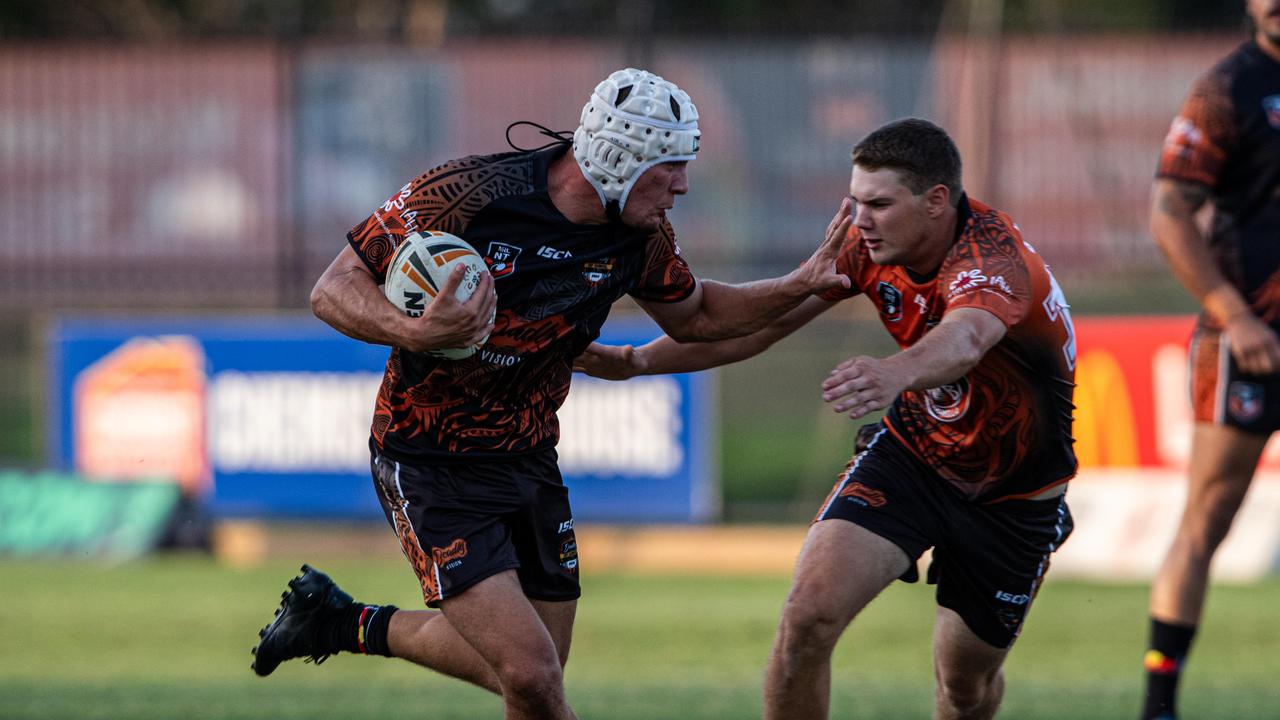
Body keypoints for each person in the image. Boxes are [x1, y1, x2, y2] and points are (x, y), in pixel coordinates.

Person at [247, 67, 850, 720]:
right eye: (671, 167)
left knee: (529, 675)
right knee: (532, 676)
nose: (681, 185)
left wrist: (800, 283)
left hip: (531, 458)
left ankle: (338, 622)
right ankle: (338, 623)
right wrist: (414, 328)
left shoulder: (638, 237)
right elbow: (332, 288)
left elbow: (699, 317)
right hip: (429, 459)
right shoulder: (470, 194)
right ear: (623, 159)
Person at [576, 118, 1078, 720]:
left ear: (936, 201)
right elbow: (763, 325)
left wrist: (898, 371)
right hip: (914, 456)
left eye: (879, 204)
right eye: (855, 201)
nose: (859, 219)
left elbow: (966, 338)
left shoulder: (994, 259)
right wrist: (636, 361)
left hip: (1015, 492)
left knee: (964, 685)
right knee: (808, 617)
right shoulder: (862, 246)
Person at [1141, 3, 1280, 718]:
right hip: (1249, 344)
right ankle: (1159, 704)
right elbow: (1169, 211)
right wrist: (1235, 313)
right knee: (1207, 520)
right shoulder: (1226, 88)